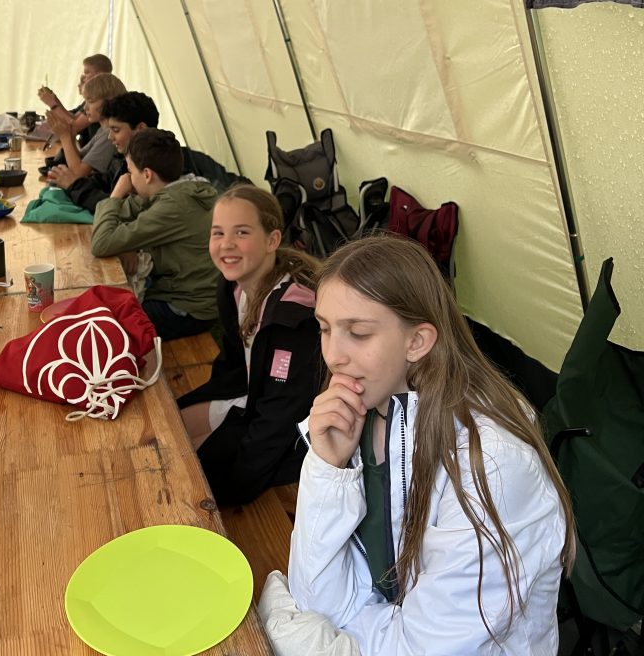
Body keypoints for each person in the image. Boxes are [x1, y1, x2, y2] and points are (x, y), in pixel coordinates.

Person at [270, 234, 574, 656]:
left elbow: (421, 646)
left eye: (358, 332)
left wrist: (318, 633)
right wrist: (327, 468)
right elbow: (316, 598)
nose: (333, 354)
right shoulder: (364, 413)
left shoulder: (493, 466)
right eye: (324, 328)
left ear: (417, 342)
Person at [178, 185, 323, 505]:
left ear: (272, 240)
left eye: (241, 232)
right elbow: (232, 362)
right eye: (218, 233)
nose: (226, 244)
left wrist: (235, 484)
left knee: (191, 478)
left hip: (296, 436)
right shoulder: (233, 288)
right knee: (171, 434)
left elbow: (282, 417)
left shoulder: (293, 320)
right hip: (252, 398)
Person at [91, 129, 218, 340]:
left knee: (103, 329)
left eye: (130, 172)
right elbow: (118, 217)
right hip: (188, 297)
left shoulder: (174, 206)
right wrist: (128, 243)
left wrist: (116, 194)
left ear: (147, 174)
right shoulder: (179, 188)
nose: (128, 179)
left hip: (186, 309)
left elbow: (101, 243)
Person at [50, 91, 160, 213]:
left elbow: (120, 208)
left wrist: (74, 185)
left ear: (141, 129)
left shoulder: (155, 167)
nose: (110, 137)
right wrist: (73, 182)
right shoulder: (125, 158)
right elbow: (104, 181)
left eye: (116, 130)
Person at [45, 73, 126, 181]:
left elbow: (78, 173)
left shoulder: (109, 135)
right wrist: (70, 135)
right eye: (85, 101)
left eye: (91, 101)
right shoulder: (102, 130)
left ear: (109, 102)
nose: (85, 107)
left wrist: (64, 137)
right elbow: (80, 157)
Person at [38, 53, 112, 146]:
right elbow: (73, 117)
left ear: (100, 75)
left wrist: (52, 104)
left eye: (87, 73)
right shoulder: (92, 98)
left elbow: (75, 126)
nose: (83, 77)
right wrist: (54, 99)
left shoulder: (101, 99)